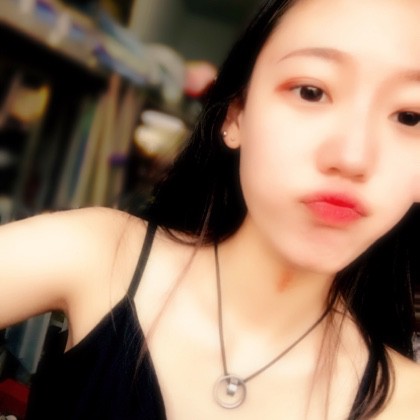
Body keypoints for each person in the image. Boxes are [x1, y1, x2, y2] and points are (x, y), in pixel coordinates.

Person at [2, 0, 420, 418]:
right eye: (311, 91)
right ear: (236, 116)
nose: (352, 157)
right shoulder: (100, 255)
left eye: (410, 116)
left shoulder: (405, 403)